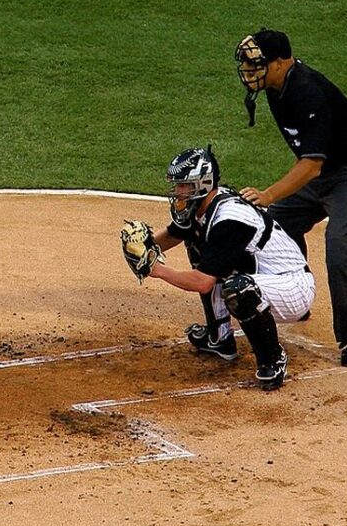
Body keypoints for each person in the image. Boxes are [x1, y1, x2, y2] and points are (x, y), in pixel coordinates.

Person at [234, 29, 347, 367]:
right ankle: (296, 295)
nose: (249, 70)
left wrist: (269, 194)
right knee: (275, 227)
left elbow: (311, 165)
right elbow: (307, 158)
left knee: (339, 248)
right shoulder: (276, 89)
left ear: (280, 63)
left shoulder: (308, 91)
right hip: (321, 175)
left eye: (256, 63)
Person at [130, 147, 315, 391]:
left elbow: (203, 282)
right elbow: (177, 233)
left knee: (239, 290)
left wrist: (156, 268)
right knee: (198, 247)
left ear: (203, 183)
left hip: (292, 287)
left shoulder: (230, 219)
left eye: (184, 186)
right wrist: (144, 247)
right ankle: (220, 338)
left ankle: (273, 360)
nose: (178, 192)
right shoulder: (204, 205)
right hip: (263, 277)